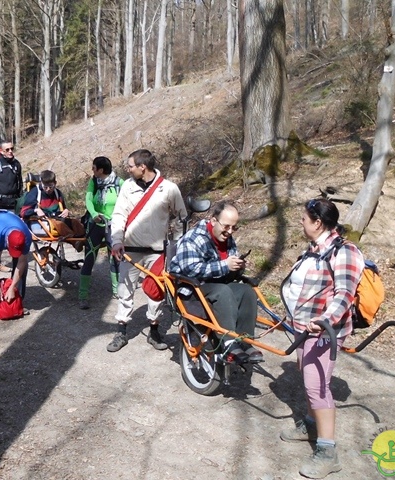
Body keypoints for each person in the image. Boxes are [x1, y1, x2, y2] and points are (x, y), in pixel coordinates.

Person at [279, 198, 364, 479]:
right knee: (307, 376)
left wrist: (325, 321)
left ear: (317, 222)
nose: (301, 222)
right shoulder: (316, 249)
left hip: (324, 331)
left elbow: (344, 294)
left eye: (304, 218)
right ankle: (311, 425)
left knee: (317, 387)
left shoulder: (346, 251)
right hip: (304, 329)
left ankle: (328, 453)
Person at [107, 149, 186, 353]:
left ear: (143, 167)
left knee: (156, 291)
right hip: (130, 249)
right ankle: (121, 330)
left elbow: (181, 217)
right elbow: (119, 215)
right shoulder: (127, 186)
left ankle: (154, 330)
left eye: (130, 166)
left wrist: (176, 244)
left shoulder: (169, 189)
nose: (127, 169)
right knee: (125, 289)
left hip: (157, 251)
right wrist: (116, 241)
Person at [168, 201, 263, 363]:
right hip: (191, 287)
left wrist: (237, 267)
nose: (230, 232)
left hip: (216, 284)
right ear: (213, 221)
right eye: (226, 226)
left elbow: (228, 266)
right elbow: (189, 269)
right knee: (223, 292)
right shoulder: (194, 238)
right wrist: (224, 265)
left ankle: (246, 341)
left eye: (234, 227)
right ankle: (228, 343)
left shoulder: (227, 238)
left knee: (247, 291)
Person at [78, 156, 124, 310]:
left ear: (101, 170)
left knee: (115, 258)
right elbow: (89, 199)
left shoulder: (119, 183)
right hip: (96, 224)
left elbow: (129, 200)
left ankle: (117, 290)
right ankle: (83, 295)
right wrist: (93, 213)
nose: (92, 170)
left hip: (114, 226)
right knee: (90, 258)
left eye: (94, 168)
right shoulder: (94, 182)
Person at [20, 169, 85, 251]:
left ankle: (82, 239)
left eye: (51, 187)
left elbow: (63, 208)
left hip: (56, 217)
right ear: (41, 184)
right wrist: (35, 210)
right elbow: (23, 213)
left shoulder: (58, 193)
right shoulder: (35, 193)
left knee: (75, 222)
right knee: (59, 224)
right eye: (45, 187)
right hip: (41, 222)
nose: (48, 189)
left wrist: (66, 210)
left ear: (55, 183)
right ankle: (74, 241)